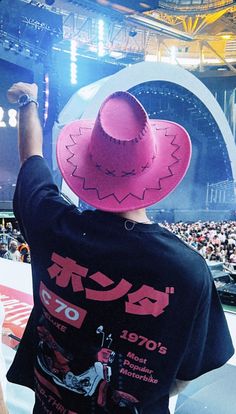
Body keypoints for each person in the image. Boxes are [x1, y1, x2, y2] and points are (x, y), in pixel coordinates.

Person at [6, 82, 234, 414]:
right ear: (157, 177)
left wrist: (28, 101)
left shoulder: (50, 222)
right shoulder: (188, 271)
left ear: (85, 169)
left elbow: (32, 161)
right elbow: (186, 374)